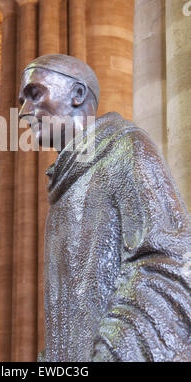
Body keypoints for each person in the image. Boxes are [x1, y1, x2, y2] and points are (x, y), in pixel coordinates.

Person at [18, 54, 191, 362]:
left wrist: (111, 352)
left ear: (77, 94)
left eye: (34, 94)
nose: (23, 112)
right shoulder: (63, 188)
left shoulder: (126, 148)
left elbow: (167, 262)